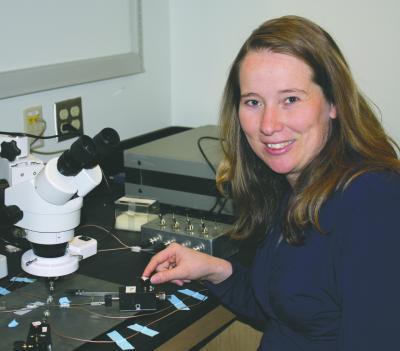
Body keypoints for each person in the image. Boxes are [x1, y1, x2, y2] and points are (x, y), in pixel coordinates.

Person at [143, 15, 400, 350]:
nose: (268, 124)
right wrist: (216, 270)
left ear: (334, 103)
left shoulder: (373, 201)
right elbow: (290, 313)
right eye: (253, 102)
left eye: (290, 99)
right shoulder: (295, 184)